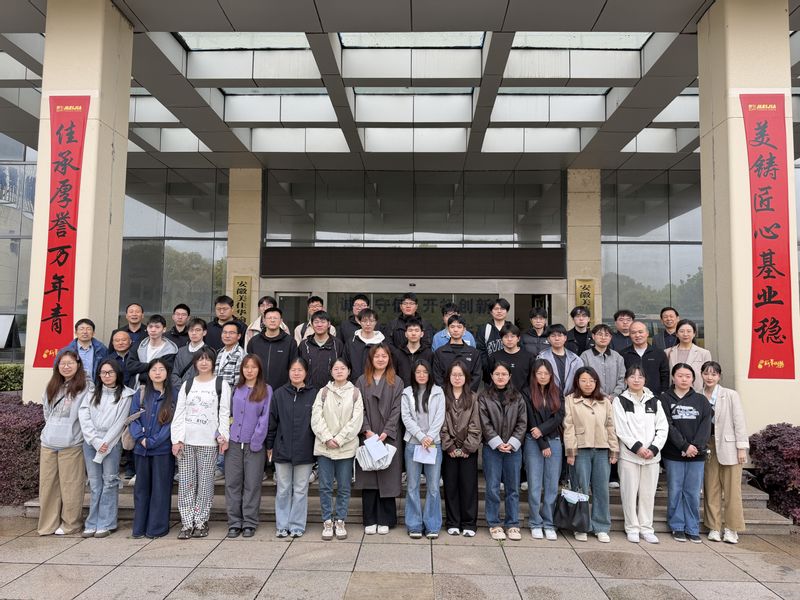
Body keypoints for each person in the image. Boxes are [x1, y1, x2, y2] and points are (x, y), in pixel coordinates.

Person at [172, 347, 231, 539]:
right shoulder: (188, 384)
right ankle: (186, 523)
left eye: (207, 359)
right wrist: (176, 439)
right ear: (195, 362)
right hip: (187, 441)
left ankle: (201, 521)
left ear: (213, 362)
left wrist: (224, 436)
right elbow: (179, 412)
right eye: (200, 359)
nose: (204, 362)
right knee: (186, 483)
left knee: (205, 484)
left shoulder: (221, 384)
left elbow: (224, 413)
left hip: (209, 442)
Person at [38, 351, 92, 536]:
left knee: (71, 486)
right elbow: (47, 412)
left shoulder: (86, 386)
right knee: (47, 486)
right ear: (57, 366)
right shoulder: (52, 385)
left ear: (78, 365)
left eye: (70, 363)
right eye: (62, 363)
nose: (66, 367)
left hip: (72, 443)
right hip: (48, 442)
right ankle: (48, 524)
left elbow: (87, 414)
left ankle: (71, 524)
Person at [612, 365, 668, 544]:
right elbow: (621, 429)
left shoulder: (654, 401)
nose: (636, 380)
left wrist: (653, 448)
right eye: (632, 376)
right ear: (626, 380)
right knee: (629, 493)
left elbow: (663, 428)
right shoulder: (620, 401)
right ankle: (632, 527)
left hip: (652, 457)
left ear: (645, 380)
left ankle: (646, 528)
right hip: (630, 457)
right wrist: (638, 448)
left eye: (640, 377)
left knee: (648, 494)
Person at [78, 358, 134, 538]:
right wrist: (95, 441)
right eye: (103, 373)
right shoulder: (91, 393)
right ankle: (92, 523)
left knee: (110, 481)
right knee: (95, 483)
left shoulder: (126, 394)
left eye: (110, 372)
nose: (107, 376)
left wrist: (106, 443)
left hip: (112, 442)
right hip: (91, 442)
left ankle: (106, 522)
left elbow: (120, 422)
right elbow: (84, 417)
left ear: (117, 374)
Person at [563, 366, 618, 542]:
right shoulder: (570, 400)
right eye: (584, 380)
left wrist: (613, 449)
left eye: (592, 381)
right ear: (577, 382)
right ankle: (580, 525)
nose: (588, 384)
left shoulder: (605, 401)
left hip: (602, 449)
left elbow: (610, 426)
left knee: (601, 489)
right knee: (580, 487)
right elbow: (568, 427)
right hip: (581, 449)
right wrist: (570, 452)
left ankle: (601, 526)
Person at [660, 363, 713, 543]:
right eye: (680, 375)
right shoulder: (664, 398)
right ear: (673, 377)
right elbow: (667, 425)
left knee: (692, 492)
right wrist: (683, 446)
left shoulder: (701, 400)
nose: (684, 379)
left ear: (693, 379)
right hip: (674, 453)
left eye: (688, 376)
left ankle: (692, 528)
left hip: (696, 455)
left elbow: (706, 426)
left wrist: (694, 447)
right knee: (675, 490)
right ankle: (677, 526)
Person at [311, 358, 363, 541]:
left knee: (344, 487)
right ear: (331, 371)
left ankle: (340, 520)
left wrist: (339, 439)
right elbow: (316, 418)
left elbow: (356, 420)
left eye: (343, 368)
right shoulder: (323, 392)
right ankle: (327, 520)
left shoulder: (355, 393)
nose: (339, 371)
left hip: (346, 448)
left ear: (349, 371)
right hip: (324, 447)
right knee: (325, 486)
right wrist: (327, 438)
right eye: (336, 368)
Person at [354, 344, 404, 534]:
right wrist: (367, 430)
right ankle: (370, 519)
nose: (381, 359)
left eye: (384, 356)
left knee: (387, 477)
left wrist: (387, 431)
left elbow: (397, 409)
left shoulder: (397, 381)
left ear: (389, 359)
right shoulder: (361, 380)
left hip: (389, 436)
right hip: (368, 436)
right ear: (371, 359)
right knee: (369, 476)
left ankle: (386, 519)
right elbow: (358, 408)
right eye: (377, 356)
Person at [266, 357, 317, 537]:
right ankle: (282, 525)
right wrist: (270, 445)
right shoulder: (279, 394)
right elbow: (272, 421)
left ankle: (297, 525)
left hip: (305, 448)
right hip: (282, 448)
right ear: (288, 372)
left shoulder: (314, 394)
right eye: (293, 370)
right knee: (283, 489)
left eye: (300, 370)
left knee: (301, 489)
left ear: (306, 372)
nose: (296, 373)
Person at [701, 361, 749, 544]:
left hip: (730, 446)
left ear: (719, 376)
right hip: (708, 446)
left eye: (713, 374)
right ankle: (714, 527)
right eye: (706, 373)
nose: (710, 377)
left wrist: (741, 448)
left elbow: (739, 421)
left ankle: (731, 528)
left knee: (732, 490)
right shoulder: (698, 395)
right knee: (711, 488)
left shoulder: (730, 395)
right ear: (701, 375)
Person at [225, 354, 271, 538]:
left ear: (259, 369)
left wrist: (256, 440)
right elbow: (228, 413)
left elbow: (264, 418)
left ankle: (250, 522)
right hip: (234, 443)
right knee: (232, 483)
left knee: (252, 484)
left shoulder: (266, 389)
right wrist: (224, 434)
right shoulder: (236, 389)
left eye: (253, 367)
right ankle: (234, 522)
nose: (249, 370)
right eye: (246, 367)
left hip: (254, 445)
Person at [479, 362, 527, 541]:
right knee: (492, 488)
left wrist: (512, 443)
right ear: (491, 376)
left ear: (509, 376)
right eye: (497, 374)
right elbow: (484, 422)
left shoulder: (518, 397)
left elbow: (522, 422)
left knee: (512, 488)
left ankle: (512, 523)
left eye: (504, 374)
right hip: (492, 448)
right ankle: (494, 523)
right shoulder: (484, 397)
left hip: (513, 449)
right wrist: (498, 442)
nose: (500, 377)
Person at [129, 358, 176, 539]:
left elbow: (171, 424)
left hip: (162, 451)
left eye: (161, 369)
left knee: (160, 490)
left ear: (167, 373)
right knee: (141, 490)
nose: (157, 372)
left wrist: (153, 441)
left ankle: (156, 528)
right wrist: (141, 439)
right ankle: (139, 527)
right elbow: (132, 419)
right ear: (148, 373)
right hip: (141, 450)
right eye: (154, 369)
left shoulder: (174, 394)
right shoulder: (140, 393)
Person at [402, 359, 445, 539]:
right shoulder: (406, 393)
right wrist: (421, 437)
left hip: (433, 444)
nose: (421, 375)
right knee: (412, 486)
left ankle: (432, 525)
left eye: (424, 372)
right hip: (413, 443)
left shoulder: (438, 392)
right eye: (418, 372)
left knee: (433, 487)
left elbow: (440, 417)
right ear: (413, 374)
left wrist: (429, 437)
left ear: (429, 374)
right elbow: (406, 417)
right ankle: (414, 524)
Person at [524, 359, 565, 541]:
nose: (542, 376)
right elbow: (530, 419)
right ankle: (535, 522)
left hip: (554, 440)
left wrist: (542, 431)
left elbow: (559, 416)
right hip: (533, 442)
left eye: (546, 373)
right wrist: (542, 443)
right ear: (534, 375)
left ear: (550, 375)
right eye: (539, 373)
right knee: (534, 485)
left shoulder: (557, 391)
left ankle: (549, 523)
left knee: (551, 485)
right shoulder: (526, 392)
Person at [440, 361, 482, 537]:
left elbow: (476, 425)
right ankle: (453, 522)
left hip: (468, 451)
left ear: (466, 377)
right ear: (449, 377)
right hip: (448, 449)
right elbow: (440, 423)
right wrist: (449, 445)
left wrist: (467, 447)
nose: (457, 378)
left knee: (468, 486)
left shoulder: (473, 398)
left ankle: (469, 523)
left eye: (460, 375)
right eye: (454, 375)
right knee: (450, 486)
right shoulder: (441, 396)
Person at [247, 306, 297, 391]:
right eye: (269, 318)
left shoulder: (290, 342)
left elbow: (294, 366)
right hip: (257, 388)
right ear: (264, 321)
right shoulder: (254, 341)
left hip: (282, 390)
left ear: (281, 321)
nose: (272, 320)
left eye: (275, 318)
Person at [432, 315, 482, 392]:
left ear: (464, 330)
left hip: (468, 395)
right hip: (445, 395)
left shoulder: (474, 353)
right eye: (452, 327)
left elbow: (476, 376)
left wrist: (467, 392)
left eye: (459, 327)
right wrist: (446, 393)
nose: (455, 330)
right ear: (448, 329)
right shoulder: (439, 352)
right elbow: (437, 376)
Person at [298, 310, 345, 390]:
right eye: (316, 322)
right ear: (312, 324)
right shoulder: (304, 345)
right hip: (307, 390)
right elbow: (299, 367)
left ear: (329, 324)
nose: (319, 325)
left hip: (332, 390)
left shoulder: (337, 344)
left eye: (323, 322)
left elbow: (343, 367)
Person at [621, 320, 670, 397]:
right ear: (629, 335)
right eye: (633, 333)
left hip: (654, 397)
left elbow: (665, 375)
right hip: (629, 397)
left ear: (647, 333)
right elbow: (621, 377)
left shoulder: (659, 353)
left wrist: (663, 393)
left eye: (640, 332)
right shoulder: (623, 354)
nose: (637, 335)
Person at [665, 319, 712, 392]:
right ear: (676, 334)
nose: (685, 334)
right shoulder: (668, 352)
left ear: (694, 334)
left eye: (689, 331)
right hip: (673, 394)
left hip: (696, 393)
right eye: (682, 331)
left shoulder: (704, 353)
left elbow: (708, 376)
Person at [130, 315, 179, 385]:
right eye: (150, 327)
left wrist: (141, 373)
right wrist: (151, 365)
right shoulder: (139, 346)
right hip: (137, 387)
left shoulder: (170, 350)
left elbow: (165, 372)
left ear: (164, 329)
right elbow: (130, 366)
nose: (153, 330)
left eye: (157, 327)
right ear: (147, 328)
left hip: (160, 387)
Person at [580, 324, 625, 397]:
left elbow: (622, 378)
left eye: (606, 335)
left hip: (615, 399)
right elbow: (583, 378)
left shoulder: (617, 357)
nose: (603, 337)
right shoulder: (585, 356)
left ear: (610, 337)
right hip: (593, 397)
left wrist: (614, 395)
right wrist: (603, 395)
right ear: (593, 336)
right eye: (600, 334)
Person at [537, 324, 582, 396]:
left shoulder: (576, 359)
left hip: (571, 398)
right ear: (548, 339)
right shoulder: (541, 357)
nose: (557, 338)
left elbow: (580, 381)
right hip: (549, 397)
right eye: (553, 336)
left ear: (565, 338)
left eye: (560, 335)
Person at [488, 323, 534, 393]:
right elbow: (489, 378)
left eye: (512, 336)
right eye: (506, 337)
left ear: (518, 338)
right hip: (499, 395)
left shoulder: (528, 357)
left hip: (523, 396)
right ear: (501, 339)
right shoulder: (494, 357)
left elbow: (532, 379)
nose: (509, 339)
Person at [343, 308, 386, 382]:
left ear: (376, 322)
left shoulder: (382, 342)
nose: (368, 324)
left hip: (377, 383)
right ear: (359, 322)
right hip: (354, 383)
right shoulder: (351, 342)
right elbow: (345, 364)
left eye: (371, 321)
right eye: (364, 321)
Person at [477, 298, 512, 382]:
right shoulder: (484, 329)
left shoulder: (512, 329)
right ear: (491, 311)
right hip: (490, 375)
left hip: (509, 375)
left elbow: (517, 349)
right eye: (496, 309)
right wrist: (488, 368)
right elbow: (481, 351)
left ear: (507, 311)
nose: (499, 311)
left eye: (502, 309)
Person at [392, 318, 434, 387]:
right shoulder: (397, 353)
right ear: (406, 334)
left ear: (422, 334)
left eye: (417, 330)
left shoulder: (429, 353)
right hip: (401, 390)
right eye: (410, 330)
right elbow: (393, 375)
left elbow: (431, 376)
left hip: (423, 390)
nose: (413, 333)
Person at [170, 318, 207, 390]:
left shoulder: (209, 352)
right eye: (191, 330)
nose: (194, 333)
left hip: (201, 391)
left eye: (198, 330)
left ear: (204, 332)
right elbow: (174, 374)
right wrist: (182, 388)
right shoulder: (181, 351)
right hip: (180, 390)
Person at [215, 322, 245, 388]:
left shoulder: (240, 354)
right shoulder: (219, 352)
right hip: (217, 391)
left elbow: (239, 382)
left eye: (231, 333)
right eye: (224, 332)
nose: (227, 336)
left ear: (239, 336)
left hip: (230, 392)